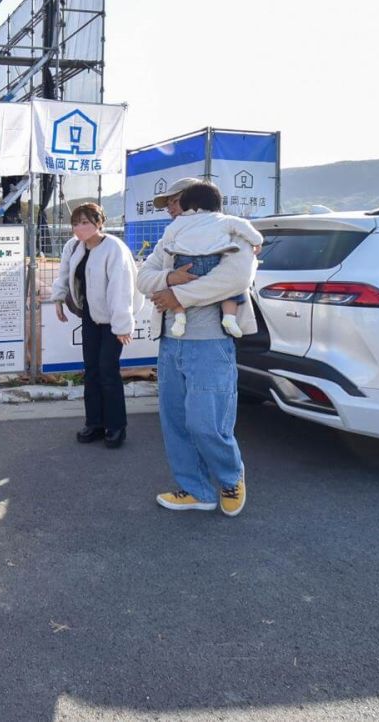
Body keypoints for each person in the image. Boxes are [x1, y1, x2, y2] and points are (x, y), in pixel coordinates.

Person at [138, 179, 258, 517]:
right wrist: (168, 280)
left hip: (210, 343)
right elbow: (143, 276)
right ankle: (196, 490)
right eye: (167, 205)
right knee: (175, 422)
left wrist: (179, 295)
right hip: (170, 342)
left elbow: (235, 280)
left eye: (174, 201)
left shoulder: (232, 233)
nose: (170, 209)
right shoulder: (171, 236)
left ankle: (230, 477)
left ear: (193, 202)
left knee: (208, 423)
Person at [50, 202, 137, 449]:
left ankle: (116, 426)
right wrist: (58, 298)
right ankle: (95, 423)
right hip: (89, 314)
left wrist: (122, 326)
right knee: (91, 369)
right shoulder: (74, 246)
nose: (79, 228)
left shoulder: (114, 248)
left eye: (85, 222)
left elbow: (121, 289)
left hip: (112, 319)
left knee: (108, 370)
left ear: (100, 223)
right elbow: (63, 273)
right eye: (76, 223)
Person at [161, 185, 264, 338]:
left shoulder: (178, 223)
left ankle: (179, 317)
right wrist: (257, 241)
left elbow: (167, 241)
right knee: (229, 293)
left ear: (186, 204)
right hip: (213, 260)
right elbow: (245, 227)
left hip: (185, 262)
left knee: (176, 289)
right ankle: (229, 317)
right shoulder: (223, 219)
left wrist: (170, 267)